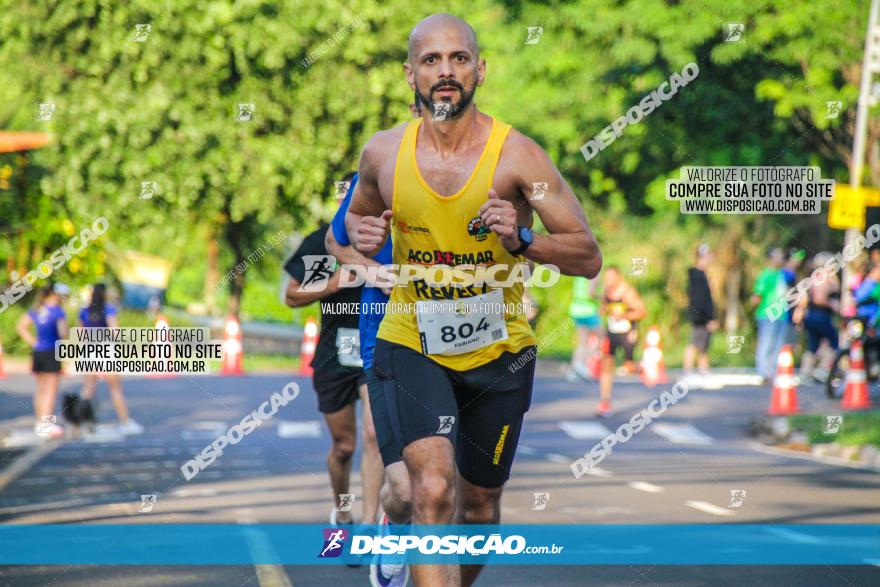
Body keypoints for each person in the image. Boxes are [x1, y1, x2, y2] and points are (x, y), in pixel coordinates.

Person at [347, 14, 602, 586]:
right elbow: (348, 232)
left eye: (458, 59)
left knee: (480, 507)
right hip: (412, 339)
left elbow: (588, 255)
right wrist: (362, 244)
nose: (445, 72)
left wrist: (524, 237)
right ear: (409, 74)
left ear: (479, 70)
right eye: (431, 61)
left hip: (500, 351)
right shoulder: (383, 154)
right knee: (431, 490)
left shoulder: (520, 158)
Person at [326, 101, 420, 587]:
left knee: (454, 480)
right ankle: (374, 524)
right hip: (381, 332)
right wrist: (369, 270)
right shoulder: (384, 160)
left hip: (458, 336)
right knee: (388, 462)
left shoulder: (487, 164)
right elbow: (333, 240)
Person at [283, 205, 384, 534]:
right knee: (344, 447)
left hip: (378, 348)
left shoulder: (391, 240)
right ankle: (342, 512)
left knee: (374, 435)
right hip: (335, 354)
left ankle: (370, 525)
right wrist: (334, 283)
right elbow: (292, 296)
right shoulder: (325, 243)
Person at [78, 284, 143, 435]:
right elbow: (115, 332)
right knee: (115, 388)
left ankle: (81, 422)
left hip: (88, 350)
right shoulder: (108, 309)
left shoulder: (84, 311)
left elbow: (80, 333)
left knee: (88, 389)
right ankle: (125, 421)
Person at [15, 283, 69, 438]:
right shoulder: (58, 312)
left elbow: (21, 326)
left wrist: (34, 342)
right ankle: (46, 426)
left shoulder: (37, 310)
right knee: (51, 391)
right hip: (52, 352)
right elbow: (63, 333)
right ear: (54, 294)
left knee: (40, 390)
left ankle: (40, 423)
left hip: (38, 352)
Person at [597, 266, 645, 417]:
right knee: (606, 367)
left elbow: (641, 311)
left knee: (628, 367)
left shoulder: (627, 292)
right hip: (612, 332)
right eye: (607, 278)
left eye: (611, 278)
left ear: (619, 277)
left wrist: (624, 316)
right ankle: (605, 403)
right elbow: (604, 308)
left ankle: (641, 368)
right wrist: (604, 310)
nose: (608, 281)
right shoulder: (606, 291)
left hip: (627, 333)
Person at [798, 252, 840, 381]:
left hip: (812, 315)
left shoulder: (817, 276)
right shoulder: (821, 277)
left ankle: (805, 373)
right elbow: (819, 299)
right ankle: (823, 369)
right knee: (833, 341)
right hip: (820, 314)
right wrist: (832, 305)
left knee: (813, 343)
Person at [752, 247, 788, 381]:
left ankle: (773, 372)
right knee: (767, 343)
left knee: (778, 344)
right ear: (771, 257)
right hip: (767, 315)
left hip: (782, 315)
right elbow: (756, 297)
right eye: (778, 254)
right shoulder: (765, 275)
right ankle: (763, 371)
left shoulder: (781, 274)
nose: (781, 256)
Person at [683, 244, 718, 377]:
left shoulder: (703, 274)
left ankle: (703, 370)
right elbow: (700, 300)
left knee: (704, 345)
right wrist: (707, 318)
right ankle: (688, 370)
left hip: (704, 316)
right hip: (700, 316)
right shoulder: (696, 274)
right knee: (695, 343)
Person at [567, 276, 601, 381]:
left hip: (576, 309)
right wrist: (601, 298)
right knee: (601, 338)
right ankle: (580, 363)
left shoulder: (579, 272)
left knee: (582, 342)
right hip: (588, 310)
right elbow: (591, 293)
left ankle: (573, 371)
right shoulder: (594, 270)